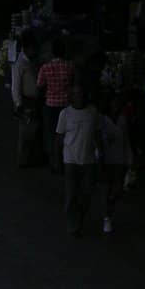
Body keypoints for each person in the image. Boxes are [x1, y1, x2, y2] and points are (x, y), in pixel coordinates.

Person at [56, 85, 103, 235]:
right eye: (76, 94)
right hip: (70, 160)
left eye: (81, 94)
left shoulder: (93, 112)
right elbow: (59, 136)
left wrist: (100, 154)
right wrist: (58, 159)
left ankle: (79, 218)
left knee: (87, 193)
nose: (79, 97)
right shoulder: (65, 114)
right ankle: (72, 223)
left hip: (88, 160)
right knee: (71, 195)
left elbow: (97, 133)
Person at [37, 36, 74, 173]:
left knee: (52, 134)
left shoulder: (45, 67)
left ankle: (55, 163)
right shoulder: (69, 66)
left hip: (50, 105)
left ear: (52, 52)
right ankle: (65, 162)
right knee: (64, 134)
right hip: (65, 106)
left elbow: (40, 85)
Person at [99, 93, 133, 235]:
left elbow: (127, 139)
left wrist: (130, 158)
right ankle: (107, 216)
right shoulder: (102, 120)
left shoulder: (123, 119)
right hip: (106, 158)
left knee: (117, 188)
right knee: (107, 188)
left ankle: (109, 212)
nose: (115, 106)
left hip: (119, 158)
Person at [10, 29, 41, 166]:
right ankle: (22, 159)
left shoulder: (31, 62)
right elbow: (15, 86)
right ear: (27, 48)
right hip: (26, 102)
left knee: (32, 132)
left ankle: (29, 158)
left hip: (33, 101)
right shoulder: (20, 64)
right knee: (25, 133)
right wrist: (18, 104)